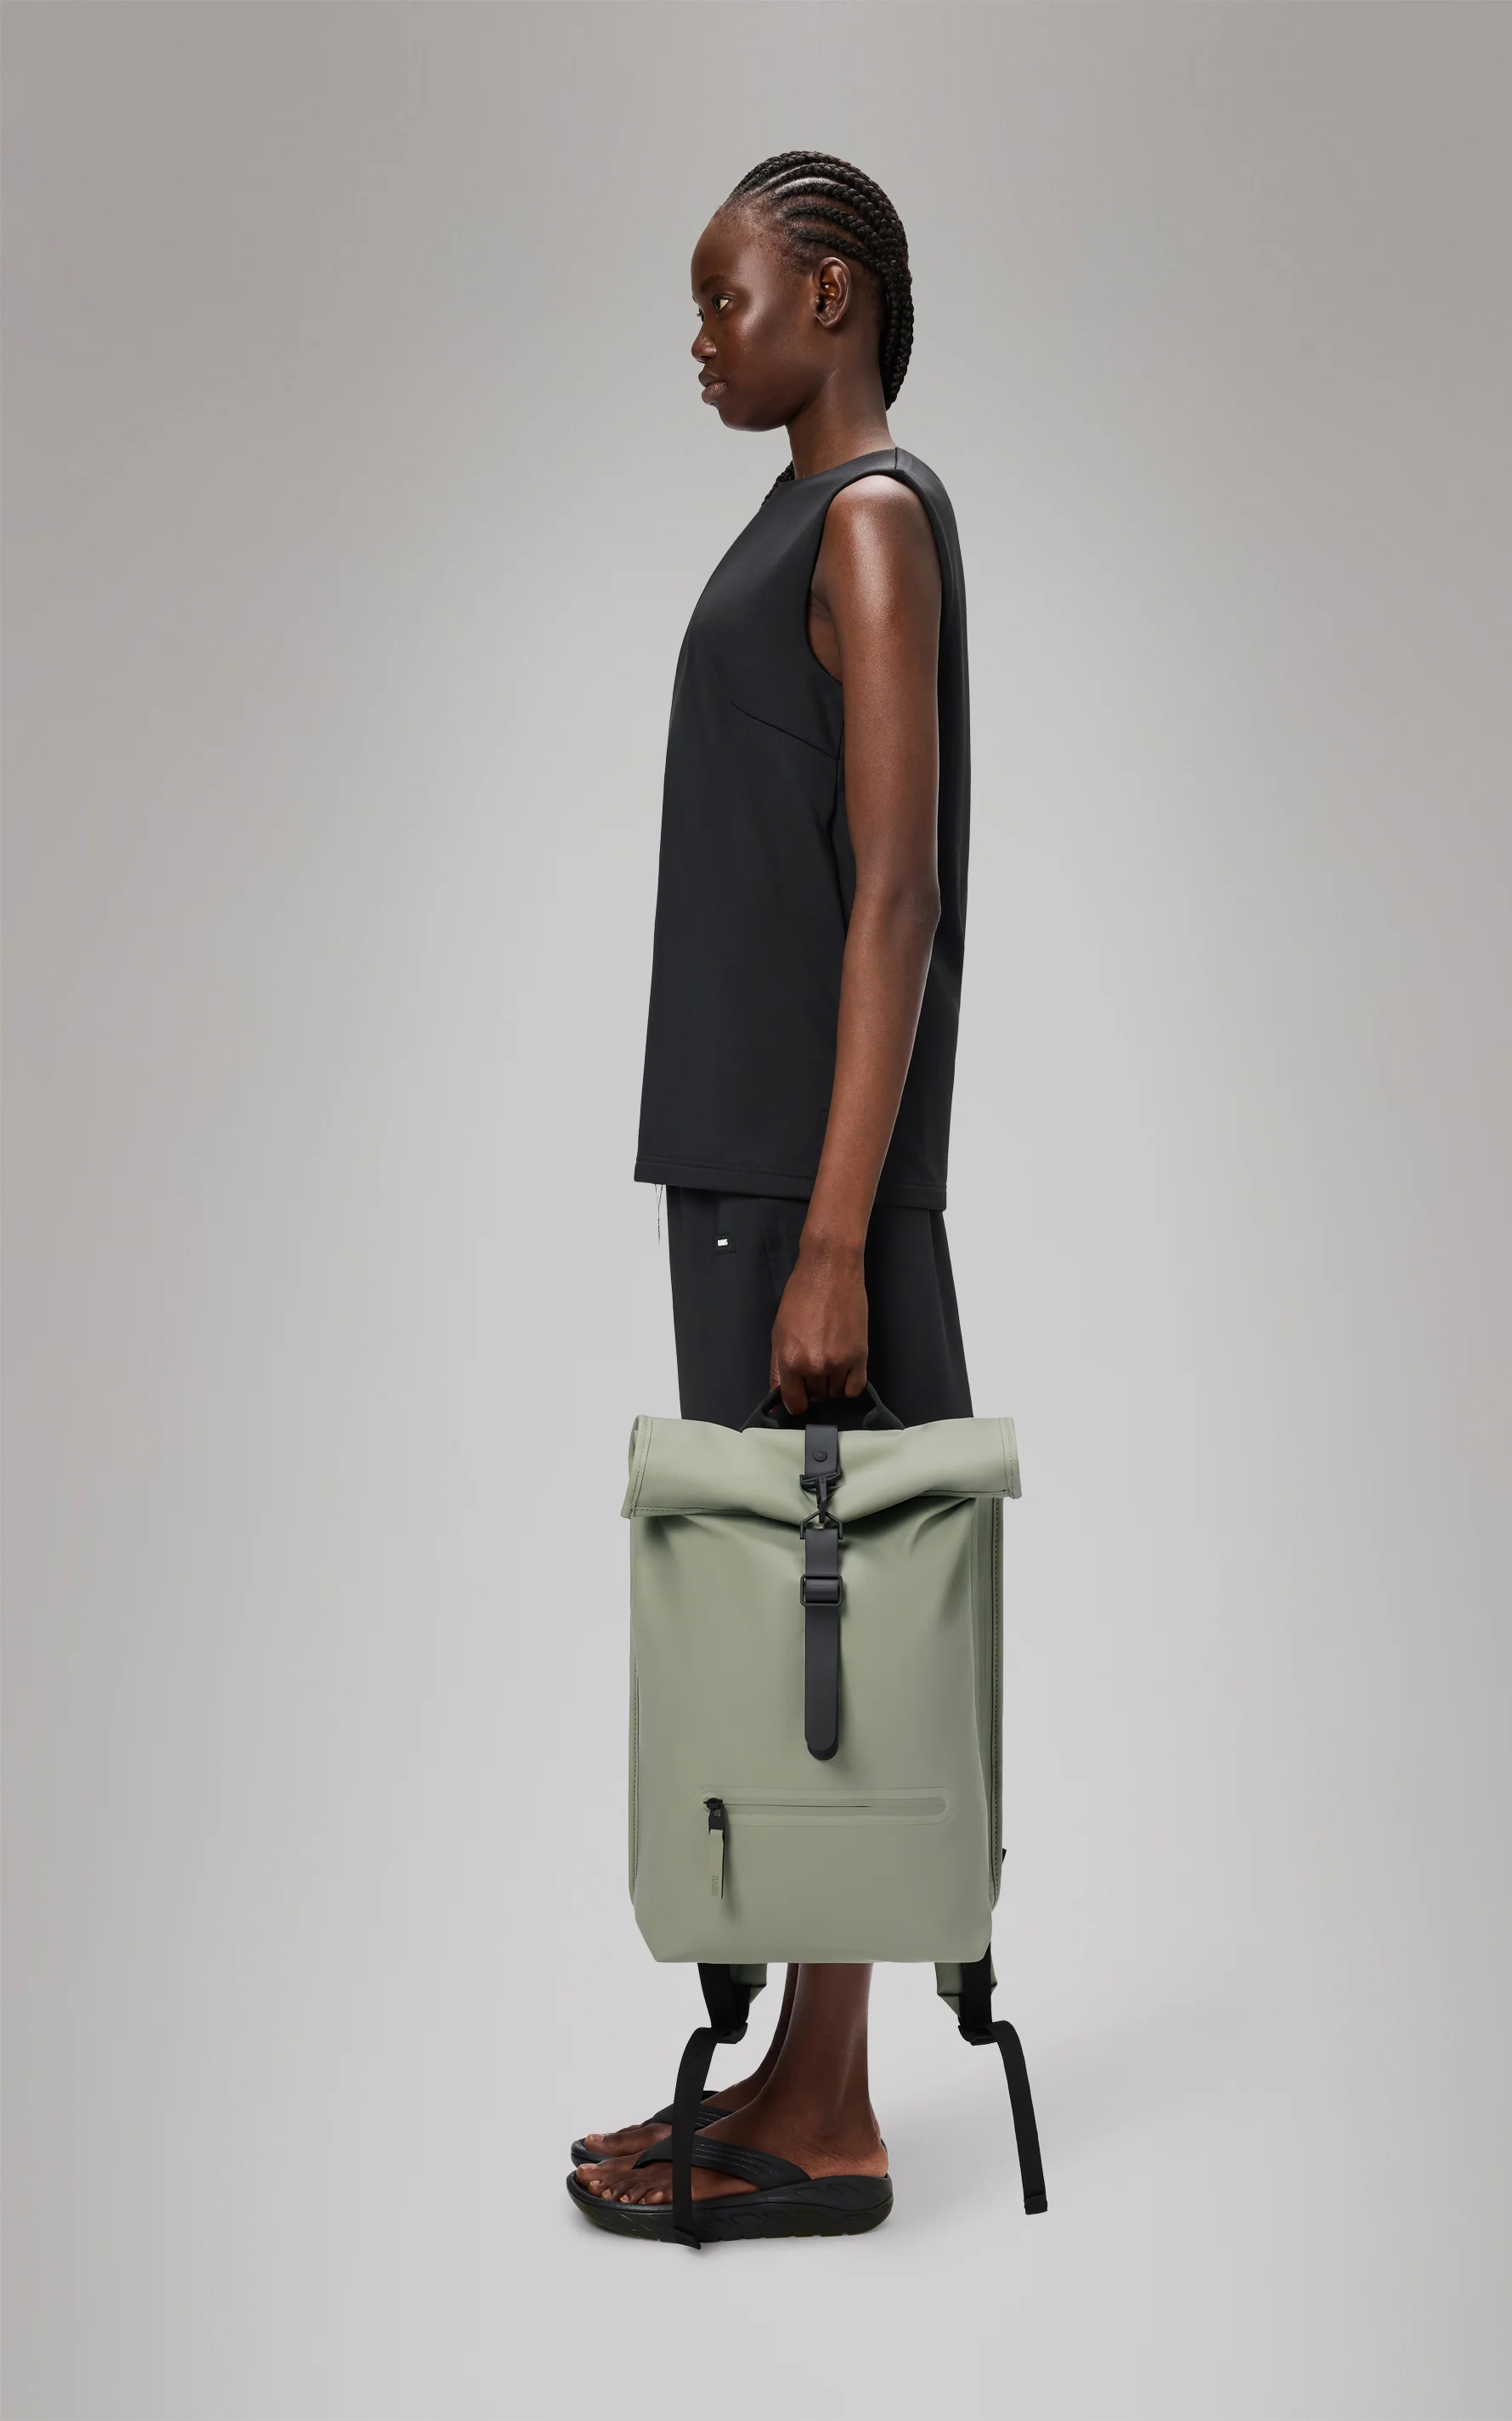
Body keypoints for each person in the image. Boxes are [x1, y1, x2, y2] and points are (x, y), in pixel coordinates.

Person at [573, 151, 973, 2235]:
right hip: (748, 1168)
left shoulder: (869, 521)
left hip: (801, 1186)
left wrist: (832, 1236)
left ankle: (831, 2113)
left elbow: (893, 893)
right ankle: (805, 2076)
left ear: (830, 296)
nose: (699, 340)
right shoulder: (801, 517)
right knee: (789, 1623)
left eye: (723, 299)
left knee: (828, 1613)